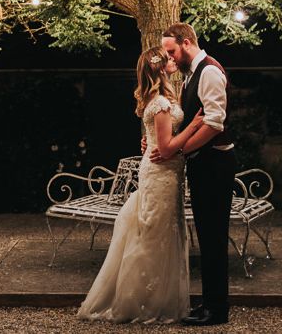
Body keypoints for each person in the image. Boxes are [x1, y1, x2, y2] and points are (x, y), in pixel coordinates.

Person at [77, 46, 204, 324]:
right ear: (158, 68)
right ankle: (144, 301)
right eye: (167, 58)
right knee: (155, 234)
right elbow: (168, 147)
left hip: (165, 171)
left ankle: (159, 297)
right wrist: (194, 126)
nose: (172, 60)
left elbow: (161, 139)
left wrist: (154, 141)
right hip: (161, 172)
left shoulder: (164, 97)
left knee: (163, 232)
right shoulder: (159, 103)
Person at [152, 22, 237, 327]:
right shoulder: (191, 74)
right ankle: (210, 302)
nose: (170, 57)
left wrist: (179, 151)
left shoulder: (210, 71)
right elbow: (191, 121)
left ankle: (218, 311)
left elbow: (214, 123)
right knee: (207, 236)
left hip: (216, 164)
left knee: (214, 237)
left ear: (186, 43)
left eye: (172, 51)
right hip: (204, 164)